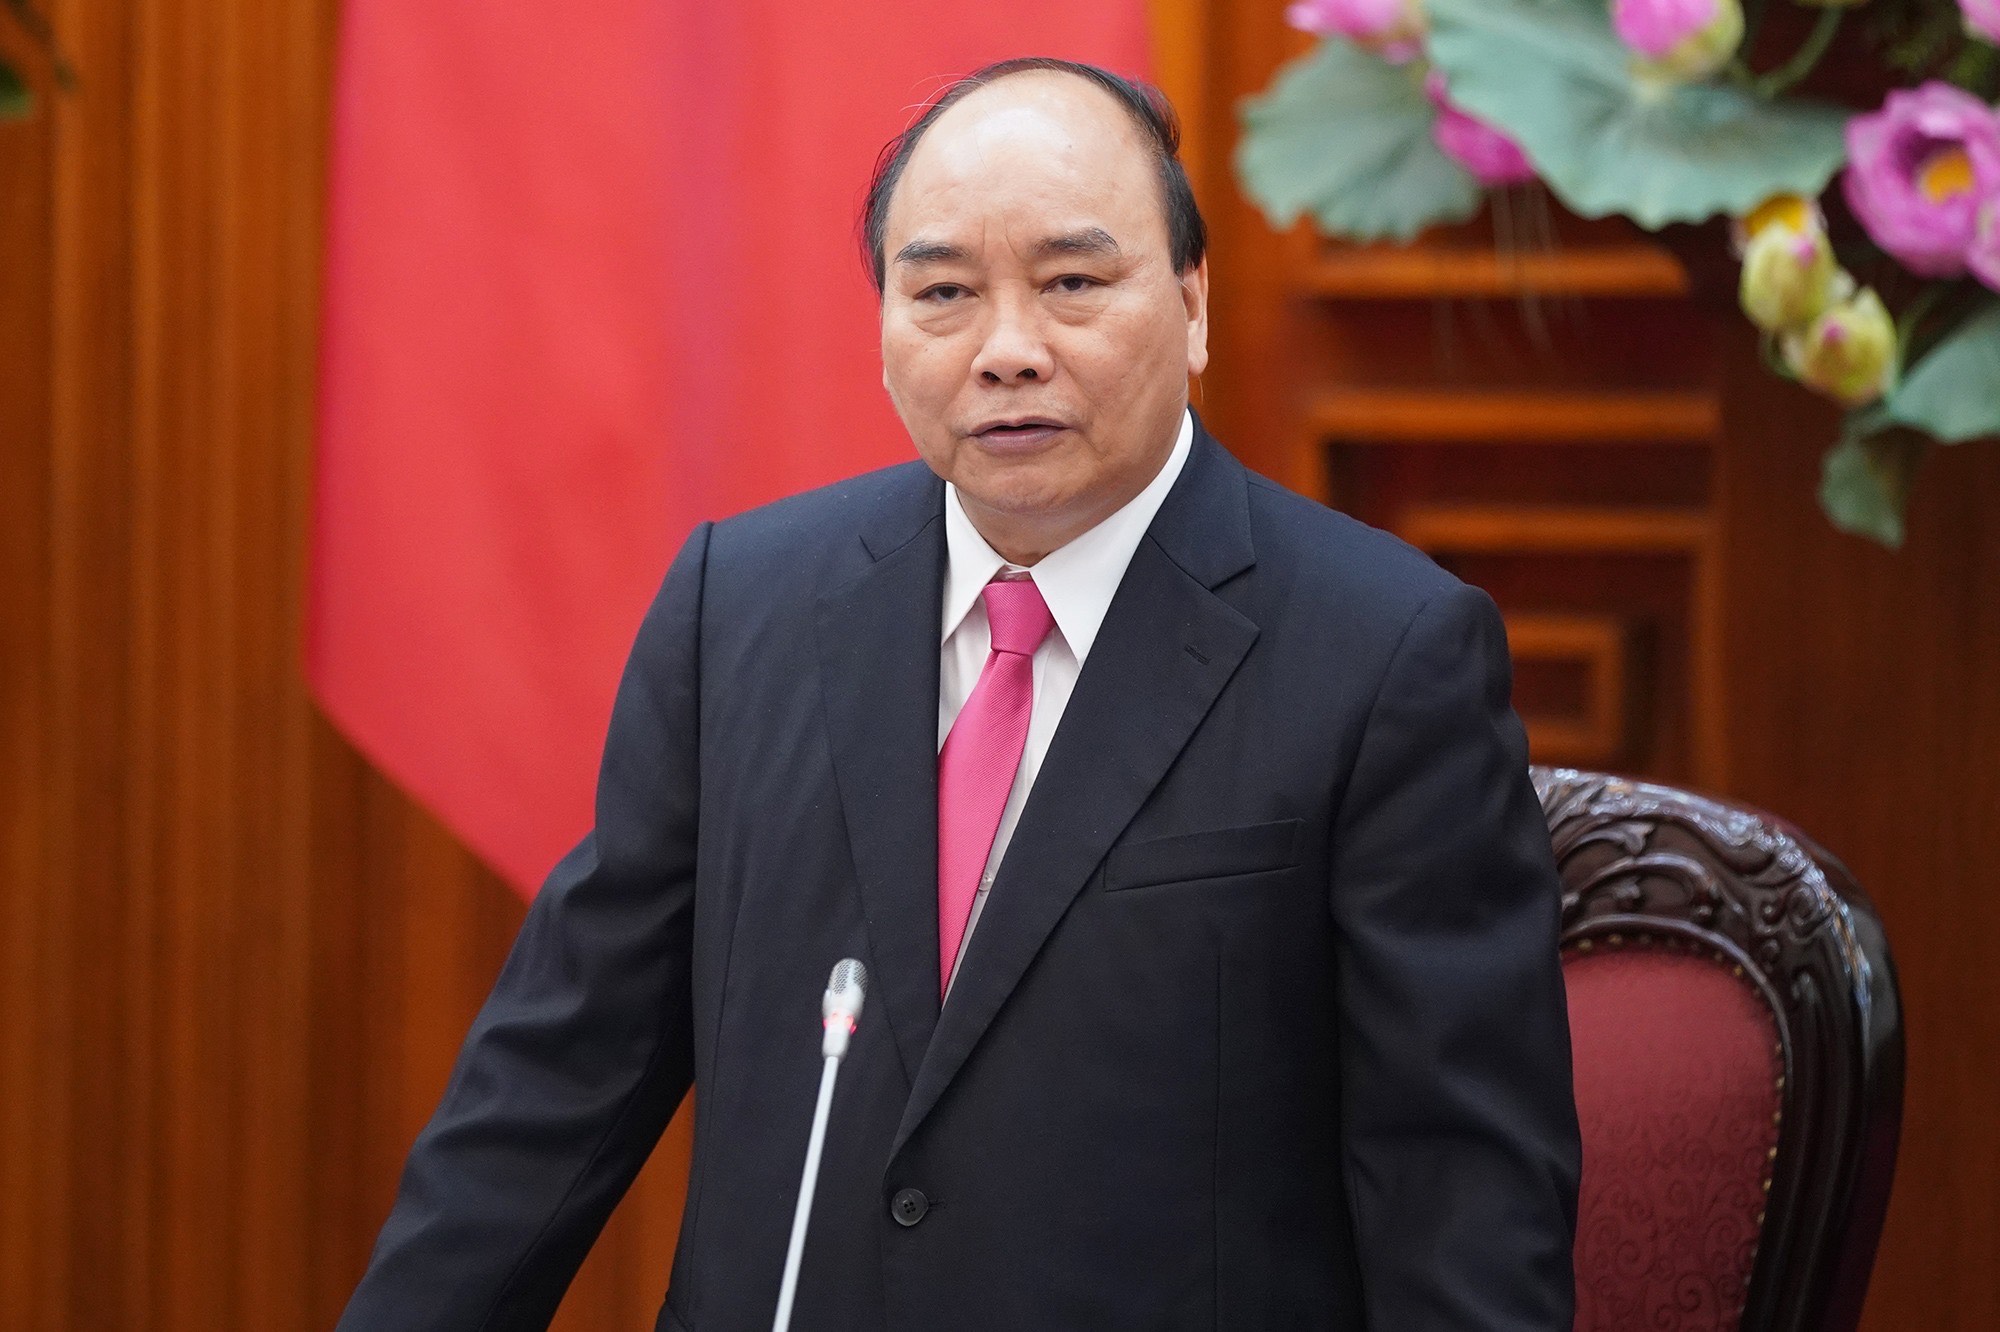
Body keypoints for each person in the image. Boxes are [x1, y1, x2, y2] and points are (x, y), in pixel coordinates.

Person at [337, 57, 1581, 1332]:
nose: (1006, 352)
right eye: (941, 293)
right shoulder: (738, 608)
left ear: (1192, 304)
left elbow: (1461, 1209)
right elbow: (554, 1082)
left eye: (1072, 283)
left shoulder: (1385, 654)